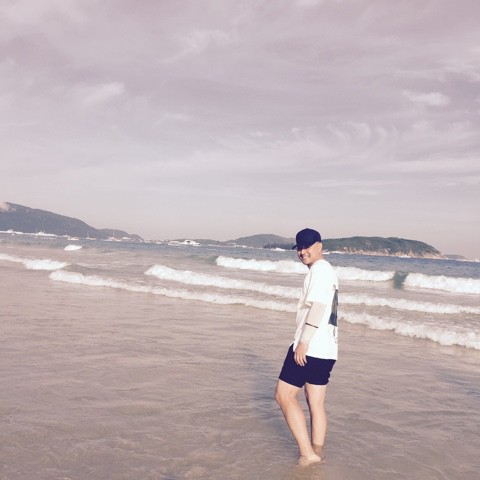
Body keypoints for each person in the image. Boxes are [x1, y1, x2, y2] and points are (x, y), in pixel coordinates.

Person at [275, 228, 339, 466]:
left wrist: (303, 341)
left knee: (283, 395)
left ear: (320, 246)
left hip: (311, 346)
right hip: (328, 349)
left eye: (307, 247)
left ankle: (307, 454)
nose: (302, 252)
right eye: (299, 248)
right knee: (316, 403)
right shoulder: (328, 272)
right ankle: (317, 451)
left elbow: (318, 306)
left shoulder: (320, 270)